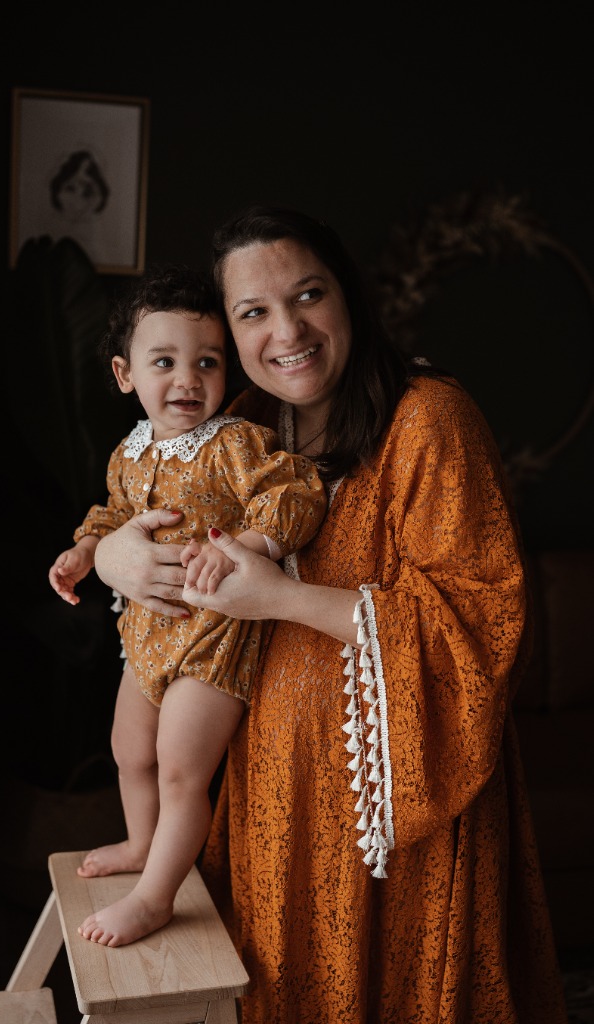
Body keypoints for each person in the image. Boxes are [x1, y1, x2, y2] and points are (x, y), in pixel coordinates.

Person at [92, 208, 568, 1023]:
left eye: (308, 294)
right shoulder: (239, 421)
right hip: (271, 802)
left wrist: (279, 597)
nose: (287, 331)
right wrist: (112, 558)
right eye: (253, 312)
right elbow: (139, 519)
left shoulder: (428, 418)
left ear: (348, 294)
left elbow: (483, 621)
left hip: (394, 822)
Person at [48, 263, 326, 948]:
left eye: (207, 362)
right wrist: (85, 550)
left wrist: (247, 545)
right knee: (128, 751)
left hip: (213, 638)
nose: (188, 379)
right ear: (125, 374)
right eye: (164, 362)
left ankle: (156, 897)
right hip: (145, 635)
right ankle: (142, 843)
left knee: (179, 768)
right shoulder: (128, 453)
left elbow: (295, 493)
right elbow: (112, 514)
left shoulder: (234, 443)